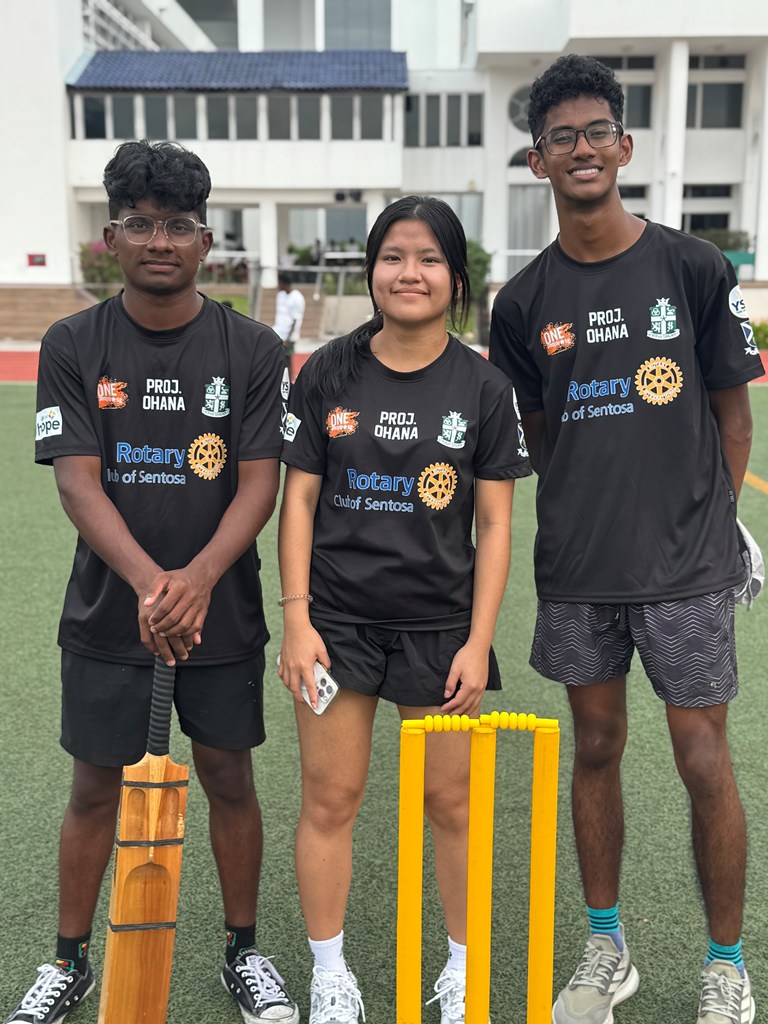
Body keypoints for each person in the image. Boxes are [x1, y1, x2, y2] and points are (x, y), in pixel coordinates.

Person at [489, 54, 764, 1024]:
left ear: (625, 144)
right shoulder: (520, 304)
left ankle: (725, 965)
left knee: (701, 758)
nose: (582, 149)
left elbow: (734, 416)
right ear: (538, 160)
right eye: (561, 136)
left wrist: (713, 520)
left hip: (685, 567)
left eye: (596, 130)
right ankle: (606, 948)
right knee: (595, 745)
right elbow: (541, 433)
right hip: (579, 569)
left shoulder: (692, 267)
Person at [7, 141, 298, 1024]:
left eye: (178, 225)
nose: (159, 241)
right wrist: (149, 583)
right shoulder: (72, 342)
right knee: (95, 787)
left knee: (228, 778)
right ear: (111, 238)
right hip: (108, 610)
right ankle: (69, 961)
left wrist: (200, 579)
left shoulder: (250, 348)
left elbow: (260, 482)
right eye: (140, 224)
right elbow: (76, 478)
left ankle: (243, 953)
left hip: (223, 610)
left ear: (208, 241)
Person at [278, 196, 530, 1024]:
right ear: (371, 271)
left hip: (439, 631)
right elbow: (300, 503)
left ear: (455, 279)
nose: (408, 273)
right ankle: (329, 974)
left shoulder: (485, 389)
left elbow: (494, 522)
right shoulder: (327, 373)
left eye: (427, 259)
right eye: (392, 256)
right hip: (338, 627)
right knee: (330, 800)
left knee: (452, 805)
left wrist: (478, 640)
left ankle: (460, 971)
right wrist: (298, 618)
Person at [272, 273, 306, 350]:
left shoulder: (297, 297)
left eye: (279, 283)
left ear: (284, 283)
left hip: (289, 336)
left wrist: (288, 339)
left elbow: (296, 319)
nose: (278, 285)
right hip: (278, 332)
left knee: (287, 359)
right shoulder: (280, 295)